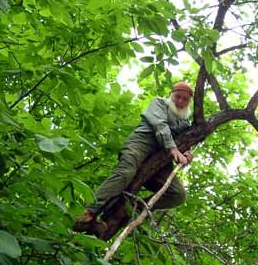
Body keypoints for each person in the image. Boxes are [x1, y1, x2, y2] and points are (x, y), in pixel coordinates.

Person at [74, 82, 194, 229]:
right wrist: (173, 148)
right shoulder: (159, 103)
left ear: (189, 102)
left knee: (178, 195)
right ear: (171, 95)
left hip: (161, 160)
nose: (180, 101)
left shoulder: (186, 123)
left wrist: (186, 155)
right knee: (126, 172)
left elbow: (185, 147)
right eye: (178, 97)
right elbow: (160, 126)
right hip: (140, 144)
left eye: (185, 99)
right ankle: (89, 213)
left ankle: (128, 211)